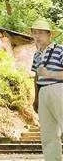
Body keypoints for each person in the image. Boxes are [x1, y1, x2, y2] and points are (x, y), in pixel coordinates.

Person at [31, 17, 63, 161]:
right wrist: (36, 98)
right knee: (48, 133)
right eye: (35, 33)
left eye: (41, 33)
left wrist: (50, 74)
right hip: (43, 92)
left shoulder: (60, 49)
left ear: (49, 34)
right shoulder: (36, 55)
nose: (37, 36)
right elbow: (36, 77)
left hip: (59, 89)